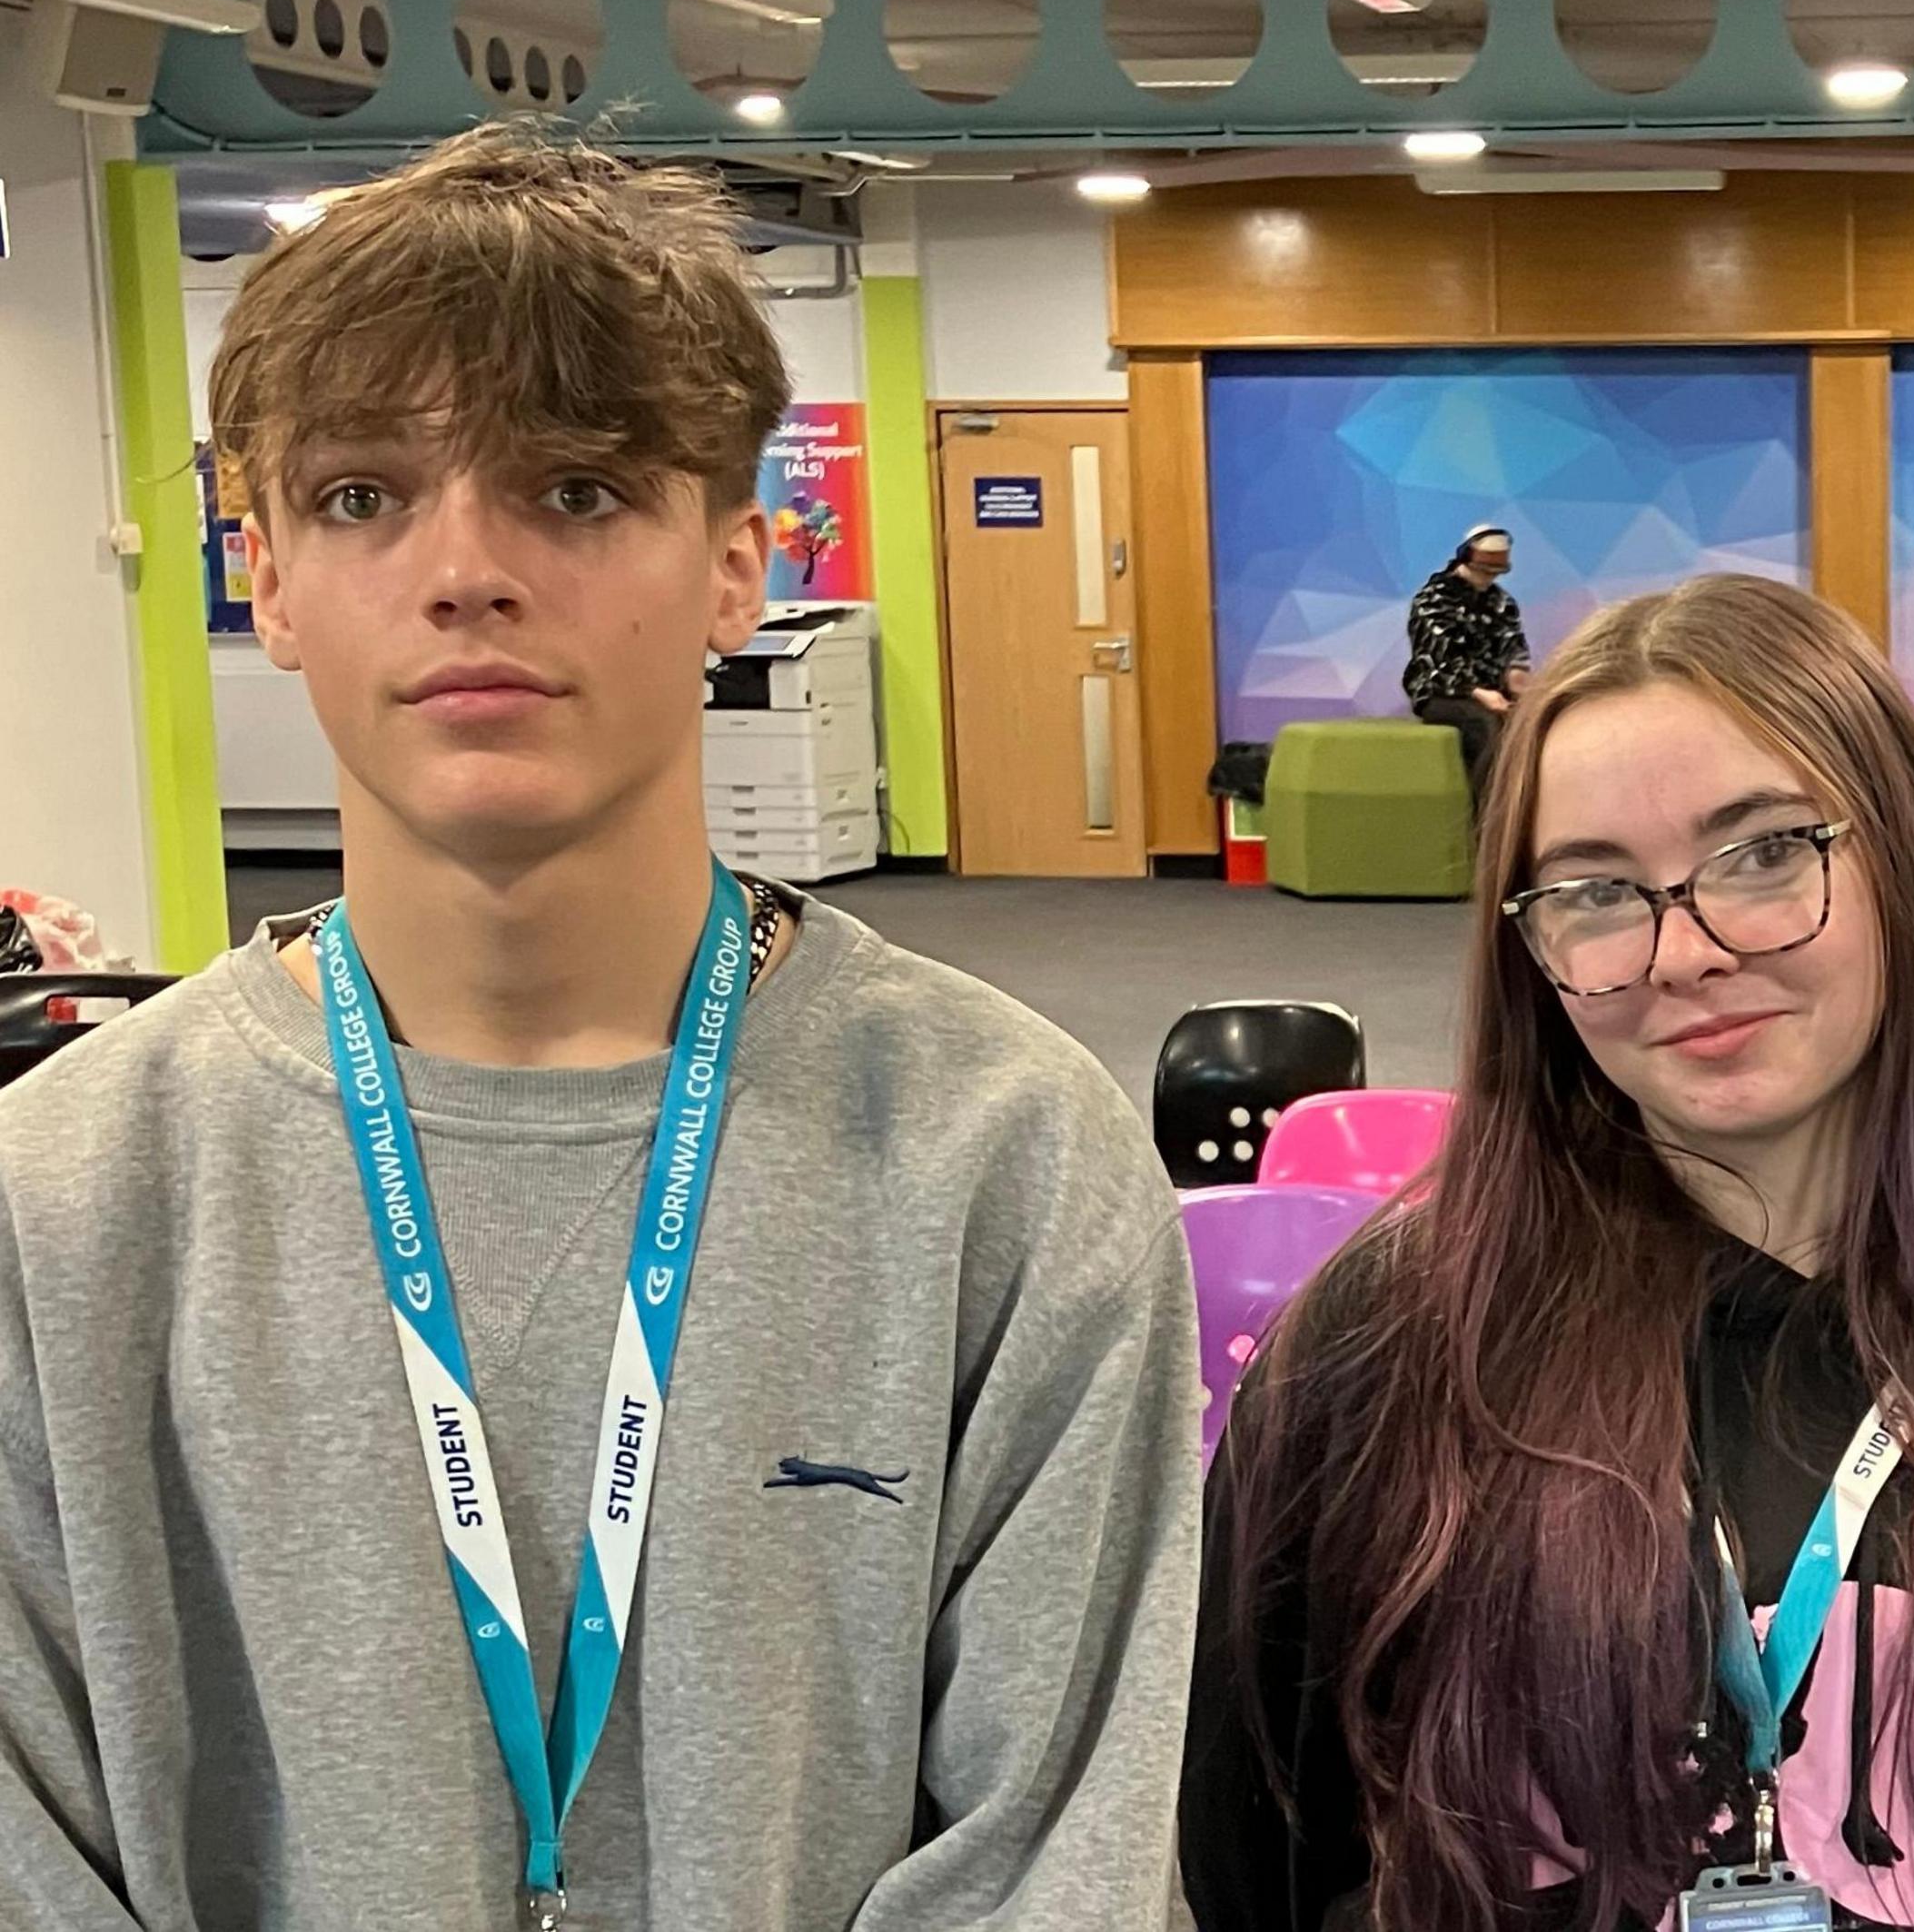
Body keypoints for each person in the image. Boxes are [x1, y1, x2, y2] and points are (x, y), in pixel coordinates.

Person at [0, 124, 1201, 1929]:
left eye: (572, 490)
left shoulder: (1004, 1157)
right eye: (361, 496)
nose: (465, 567)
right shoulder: (65, 1196)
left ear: (737, 566)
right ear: (267, 578)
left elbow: (1057, 1852)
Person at [1180, 574, 1914, 1932]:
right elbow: (1261, 1860)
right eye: (1593, 889)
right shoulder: (1384, 1348)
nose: (1681, 950)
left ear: (1906, 860)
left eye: (1764, 853)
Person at [1403, 522, 1531, 802]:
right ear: (1466, 559)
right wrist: (1480, 693)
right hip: (1443, 692)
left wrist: (1521, 684)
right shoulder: (1433, 600)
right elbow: (1440, 660)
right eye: (1484, 571)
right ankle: (1487, 818)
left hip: (1494, 691)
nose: (1489, 578)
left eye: (1496, 573)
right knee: (1485, 727)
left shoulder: (1502, 602)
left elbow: (1514, 650)